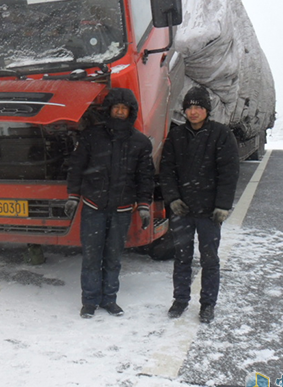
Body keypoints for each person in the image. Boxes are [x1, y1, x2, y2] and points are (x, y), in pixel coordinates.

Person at [65, 88, 154, 318]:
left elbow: (145, 177)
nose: (120, 112)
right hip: (94, 207)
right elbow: (76, 168)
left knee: (113, 257)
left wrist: (144, 205)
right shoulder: (91, 137)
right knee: (92, 256)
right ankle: (90, 301)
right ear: (110, 109)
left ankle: (109, 299)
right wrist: (73, 197)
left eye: (124, 109)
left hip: (122, 210)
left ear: (131, 112)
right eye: (116, 108)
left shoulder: (141, 143)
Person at [160, 86, 239, 323]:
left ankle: (207, 304)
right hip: (182, 210)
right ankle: (180, 300)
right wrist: (173, 198)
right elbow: (167, 170)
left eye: (198, 107)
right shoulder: (176, 136)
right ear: (184, 110)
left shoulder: (221, 135)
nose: (193, 112)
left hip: (209, 212)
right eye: (189, 107)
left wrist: (222, 205)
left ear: (207, 110)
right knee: (182, 256)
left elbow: (229, 172)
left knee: (209, 259)